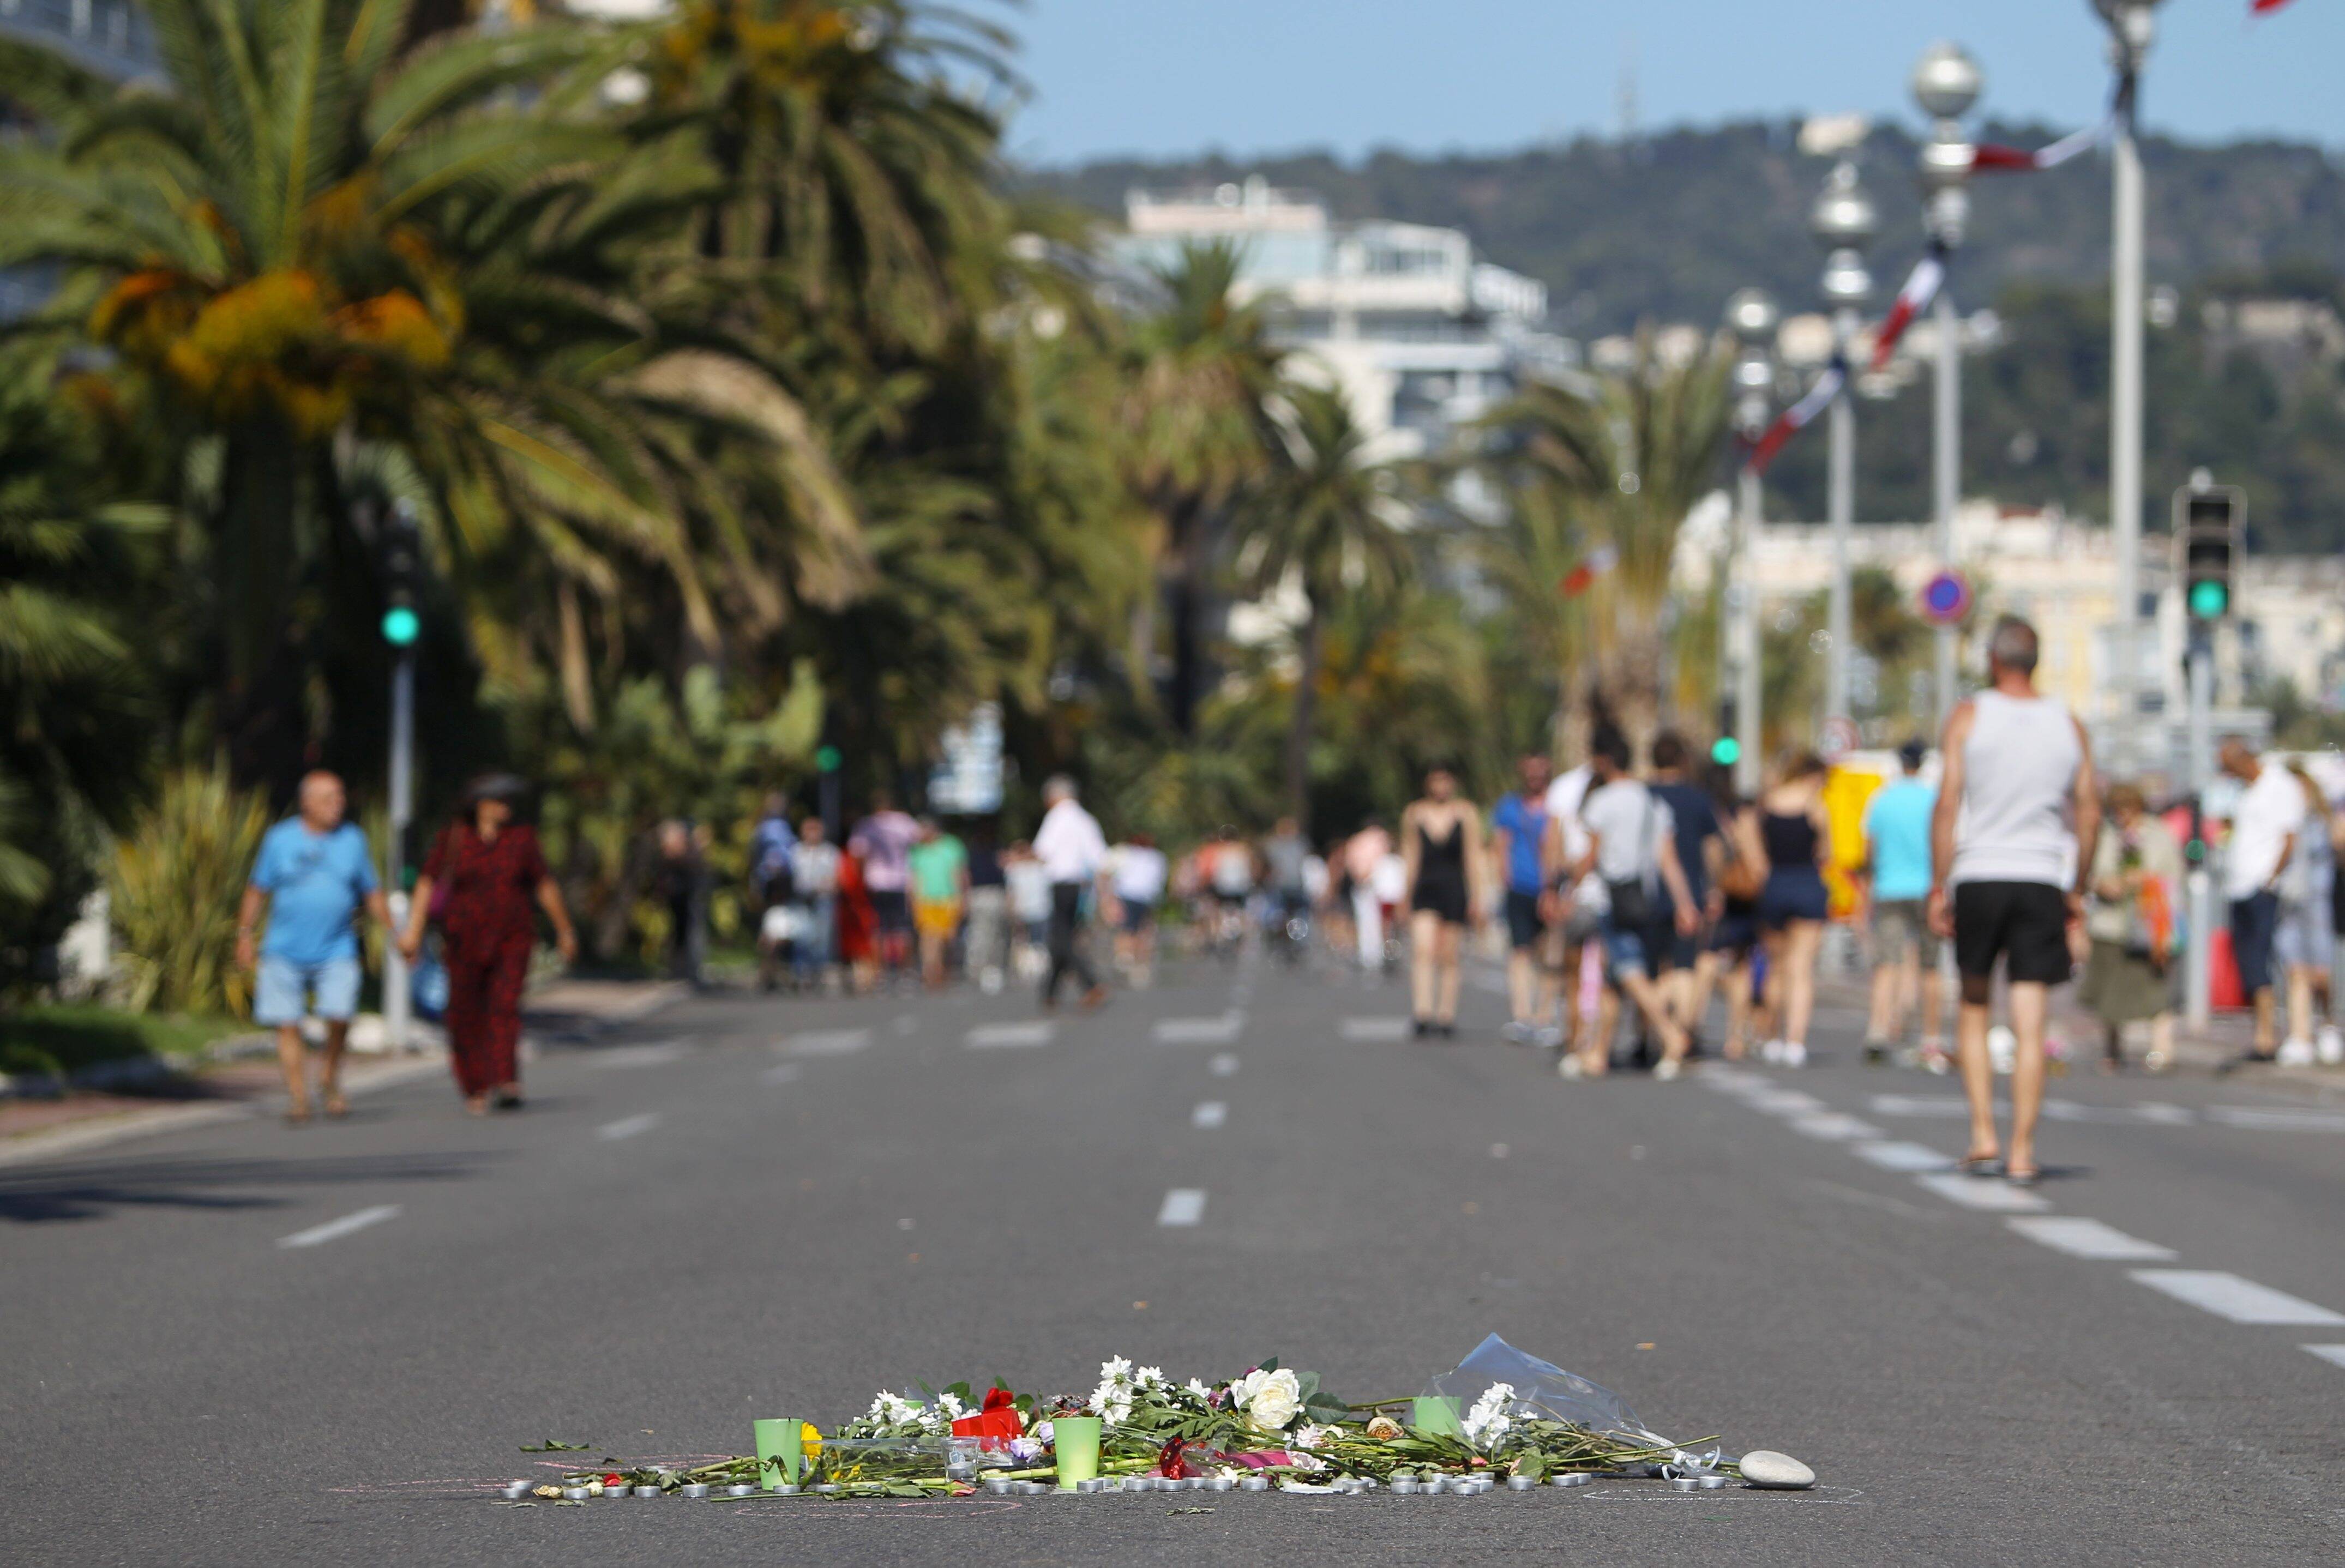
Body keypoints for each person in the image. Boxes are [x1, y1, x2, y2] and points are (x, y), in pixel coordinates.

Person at [1928, 615, 2099, 1187]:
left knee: (1974, 1005)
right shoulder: (2067, 724)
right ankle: (2023, 1149)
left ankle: (1983, 1131)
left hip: (1979, 872)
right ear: (2037, 660)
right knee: (2031, 1020)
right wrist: (2077, 886)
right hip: (2040, 877)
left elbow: (1949, 804)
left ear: (1992, 659)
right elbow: (2089, 810)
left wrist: (1938, 883)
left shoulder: (1969, 716)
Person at [400, 774, 578, 1115]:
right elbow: (427, 881)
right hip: (463, 940)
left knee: (505, 1006)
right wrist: (413, 930)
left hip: (512, 938)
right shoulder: (455, 837)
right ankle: (475, 1085)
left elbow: (544, 884)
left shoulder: (522, 839)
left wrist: (565, 930)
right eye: (498, 801)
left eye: (508, 801)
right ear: (480, 805)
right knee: (464, 1013)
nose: (505, 807)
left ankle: (506, 1079)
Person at [237, 770, 394, 1125]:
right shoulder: (280, 839)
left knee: (340, 1015)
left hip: (337, 947)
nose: (337, 804)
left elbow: (371, 891)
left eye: (340, 797)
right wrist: (245, 934)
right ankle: (298, 1097)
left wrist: (394, 933)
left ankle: (329, 1075)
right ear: (306, 802)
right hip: (283, 949)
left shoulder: (353, 839)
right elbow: (257, 889)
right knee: (287, 1023)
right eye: (328, 798)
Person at [1569, 729, 1701, 1078]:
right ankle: (1598, 1052)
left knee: (1629, 973)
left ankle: (1672, 1035)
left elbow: (1591, 856)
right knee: (1616, 979)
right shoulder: (1651, 801)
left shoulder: (1603, 801)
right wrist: (1686, 904)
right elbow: (1668, 860)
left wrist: (1566, 887)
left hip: (1613, 899)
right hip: (1647, 900)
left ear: (1603, 761)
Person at [2079, 782, 2184, 1072]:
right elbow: (2091, 873)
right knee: (2109, 990)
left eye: (2127, 809)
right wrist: (2103, 884)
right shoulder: (2107, 834)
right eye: (2117, 810)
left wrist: (2145, 881)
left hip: (2149, 924)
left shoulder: (2159, 834)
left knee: (2154, 988)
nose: (2122, 816)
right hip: (2111, 924)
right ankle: (2113, 1049)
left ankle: (2162, 1048)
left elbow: (2173, 876)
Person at [2216, 737, 2305, 1066]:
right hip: (2240, 887)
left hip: (2262, 889)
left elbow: (2289, 838)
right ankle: (2260, 1035)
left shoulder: (2279, 785)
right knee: (2248, 963)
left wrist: (2270, 879)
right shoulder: (2246, 791)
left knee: (2262, 961)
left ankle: (2269, 1036)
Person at [1860, 739, 1945, 1067]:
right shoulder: (1933, 800)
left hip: (1889, 889)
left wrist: (1868, 886)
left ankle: (1878, 1030)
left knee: (1886, 964)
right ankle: (1931, 1037)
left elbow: (1870, 849)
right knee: (1930, 967)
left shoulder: (1882, 800)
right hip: (1927, 890)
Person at [1753, 753, 1831, 1067]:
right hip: (1807, 885)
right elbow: (1826, 851)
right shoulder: (1816, 806)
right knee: (1801, 968)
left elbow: (1756, 847)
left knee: (1776, 966)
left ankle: (1771, 1036)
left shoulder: (1769, 802)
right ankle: (1795, 1041)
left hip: (1775, 885)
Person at [1646, 732, 1723, 1049]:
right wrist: (1715, 888)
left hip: (1646, 893)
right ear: (1682, 761)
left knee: (1651, 969)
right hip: (1689, 894)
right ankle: (1681, 1032)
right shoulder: (1698, 798)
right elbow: (1714, 848)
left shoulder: (1643, 794)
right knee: (1684, 966)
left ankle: (1649, 1035)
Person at [1401, 765, 1486, 1038]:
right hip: (1425, 887)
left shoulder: (1466, 813)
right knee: (1423, 949)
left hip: (1454, 887)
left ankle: (1446, 1014)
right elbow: (1411, 856)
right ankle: (1422, 1012)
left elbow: (1473, 857)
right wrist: (1405, 895)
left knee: (1449, 954)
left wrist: (1477, 896)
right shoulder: (1415, 813)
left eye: (1446, 780)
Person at [1543, 756, 1612, 1062]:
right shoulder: (1612, 816)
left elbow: (1566, 854)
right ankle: (1592, 1042)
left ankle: (1576, 1040)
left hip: (1582, 899)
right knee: (1605, 979)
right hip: (1608, 900)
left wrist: (1560, 890)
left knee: (1573, 976)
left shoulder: (1578, 819)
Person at [1490, 752, 1555, 1044]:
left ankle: (1545, 1016)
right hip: (1520, 888)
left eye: (1540, 771)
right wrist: (1504, 878)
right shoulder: (1509, 807)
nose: (1535, 777)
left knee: (1547, 953)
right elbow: (1501, 845)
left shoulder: (1558, 806)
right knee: (1520, 951)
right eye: (1530, 772)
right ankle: (1522, 1015)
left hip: (1551, 890)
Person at [2272, 763, 2334, 1066]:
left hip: (2320, 902)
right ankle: (2300, 1037)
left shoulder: (2321, 819)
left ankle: (2328, 1025)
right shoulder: (2283, 821)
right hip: (2289, 902)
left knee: (2321, 973)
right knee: (2295, 969)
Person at [1032, 775, 1110, 1009]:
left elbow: (1042, 851)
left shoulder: (1057, 817)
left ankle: (1091, 984)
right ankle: (1049, 993)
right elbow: (1100, 858)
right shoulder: (1086, 819)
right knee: (1061, 938)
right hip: (1079, 887)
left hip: (1061, 885)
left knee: (1061, 938)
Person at [849, 792, 921, 981]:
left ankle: (880, 973)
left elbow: (858, 854)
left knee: (878, 930)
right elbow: (920, 843)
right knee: (902, 929)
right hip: (900, 882)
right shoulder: (904, 822)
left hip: (877, 882)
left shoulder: (867, 825)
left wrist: (864, 875)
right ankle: (905, 973)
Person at [907, 815, 968, 990]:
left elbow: (959, 873)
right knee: (928, 938)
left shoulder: (952, 846)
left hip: (948, 898)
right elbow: (914, 877)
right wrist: (912, 898)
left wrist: (962, 897)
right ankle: (931, 972)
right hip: (925, 899)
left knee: (946, 938)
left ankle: (942, 968)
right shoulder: (917, 851)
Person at [750, 793, 797, 993]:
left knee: (775, 927)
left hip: (776, 882)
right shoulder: (770, 830)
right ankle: (770, 970)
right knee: (775, 927)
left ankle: (771, 970)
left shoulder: (766, 829)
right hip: (774, 882)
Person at [1110, 831, 1169, 986]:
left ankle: (1127, 958)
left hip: (1130, 895)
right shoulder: (1157, 857)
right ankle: (1138, 963)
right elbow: (1160, 879)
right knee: (1141, 929)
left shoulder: (1126, 854)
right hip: (1145, 896)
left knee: (1129, 928)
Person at [790, 817, 841, 991]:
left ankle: (819, 974)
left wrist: (827, 886)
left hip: (823, 899)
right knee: (801, 936)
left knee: (822, 938)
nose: (812, 833)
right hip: (801, 899)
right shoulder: (795, 851)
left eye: (816, 829)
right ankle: (802, 975)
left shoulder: (829, 852)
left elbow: (836, 877)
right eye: (808, 829)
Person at [964, 827, 1009, 994]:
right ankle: (983, 968)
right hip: (986, 894)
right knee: (986, 934)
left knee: (986, 934)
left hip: (987, 894)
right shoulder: (979, 852)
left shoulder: (980, 852)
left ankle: (983, 968)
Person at [1343, 822, 1393, 969]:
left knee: (1366, 921)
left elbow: (1351, 863)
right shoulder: (1380, 839)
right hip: (1375, 886)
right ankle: (1374, 956)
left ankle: (1369, 955)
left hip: (1365, 885)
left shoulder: (1356, 841)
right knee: (1375, 922)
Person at [1262, 817, 1312, 956]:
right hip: (1281, 886)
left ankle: (1296, 941)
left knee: (1296, 914)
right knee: (1279, 914)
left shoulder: (1298, 844)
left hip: (1295, 886)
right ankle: (1280, 939)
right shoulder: (1276, 845)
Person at [1004, 839, 1053, 981]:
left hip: (1039, 910)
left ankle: (1039, 967)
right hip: (1027, 910)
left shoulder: (1040, 868)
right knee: (1028, 942)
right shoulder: (1014, 870)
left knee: (1038, 941)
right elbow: (1011, 893)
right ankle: (1031, 967)